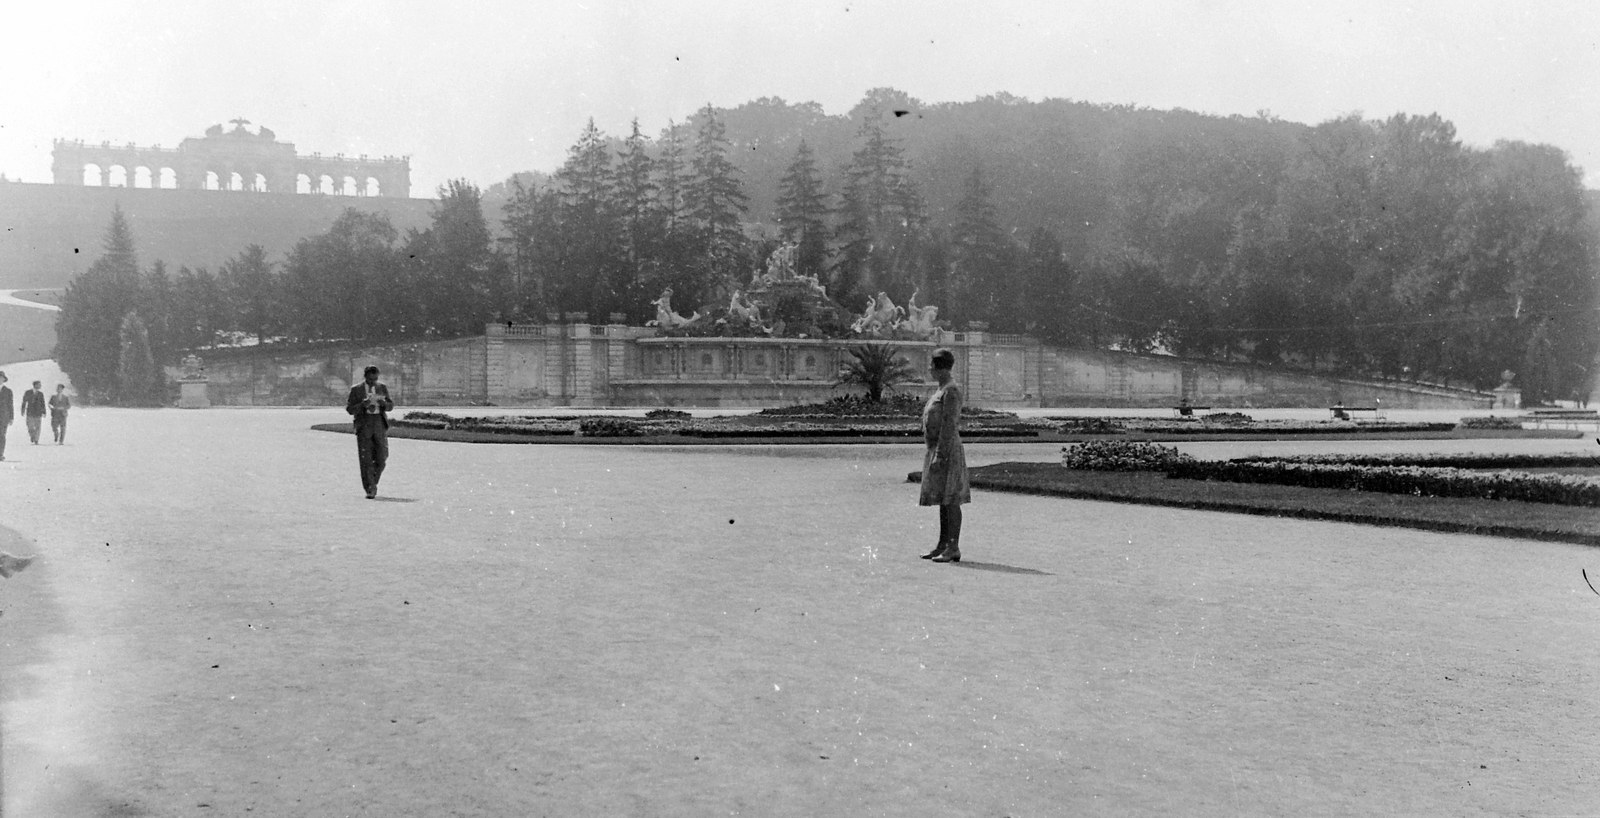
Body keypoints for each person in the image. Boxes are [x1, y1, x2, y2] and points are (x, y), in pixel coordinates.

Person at [919, 348, 971, 563]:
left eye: (932, 366)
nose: (930, 370)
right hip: (937, 448)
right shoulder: (942, 389)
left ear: (940, 368)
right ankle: (942, 544)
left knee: (951, 499)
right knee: (943, 498)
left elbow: (949, 424)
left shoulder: (951, 391)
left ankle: (953, 547)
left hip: (947, 449)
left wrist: (940, 454)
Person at [345, 365, 394, 499]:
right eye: (370, 379)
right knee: (366, 459)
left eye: (375, 378)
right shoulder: (356, 390)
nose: (373, 381)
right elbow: (349, 409)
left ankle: (372, 480)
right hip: (364, 423)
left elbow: (391, 406)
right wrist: (362, 405)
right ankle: (370, 488)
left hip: (379, 422)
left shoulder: (382, 387)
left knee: (382, 457)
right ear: (365, 376)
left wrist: (384, 404)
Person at [21, 380, 46, 445]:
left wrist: (44, 411)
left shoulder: (41, 394)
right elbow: (24, 401)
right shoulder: (28, 392)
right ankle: (32, 435)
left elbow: (43, 403)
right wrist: (22, 410)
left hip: (38, 412)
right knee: (30, 426)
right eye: (39, 384)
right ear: (35, 385)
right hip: (30, 412)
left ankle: (36, 440)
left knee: (38, 427)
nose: (40, 386)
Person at [0, 372, 11, 461]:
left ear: (4, 379)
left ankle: (0, 454)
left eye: (1, 378)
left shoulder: (8, 391)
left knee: (2, 435)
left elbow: (10, 404)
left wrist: (11, 417)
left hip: (3, 417)